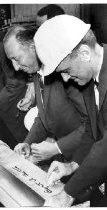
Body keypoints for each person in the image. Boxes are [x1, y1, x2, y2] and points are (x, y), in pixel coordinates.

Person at [33, 14, 107, 207]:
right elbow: (93, 132)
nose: (66, 79)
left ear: (84, 53)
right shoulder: (91, 79)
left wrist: (67, 193)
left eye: (66, 70)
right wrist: (72, 165)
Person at [3, 25, 88, 165]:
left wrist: (57, 148)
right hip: (69, 158)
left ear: (33, 46)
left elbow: (93, 123)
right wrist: (28, 143)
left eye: (17, 58)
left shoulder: (66, 73)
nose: (16, 67)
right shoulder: (37, 74)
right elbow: (44, 117)